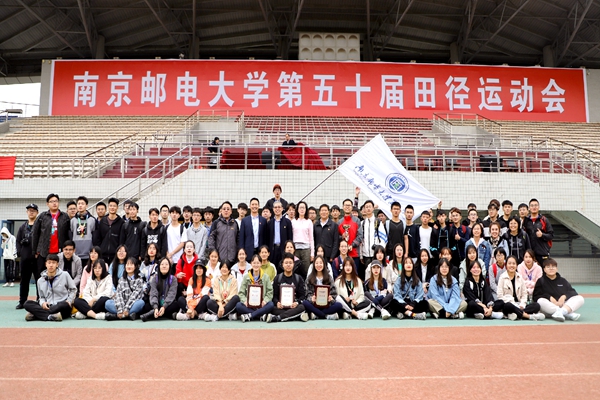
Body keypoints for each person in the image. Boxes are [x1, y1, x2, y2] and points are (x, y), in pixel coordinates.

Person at [23, 254, 77, 322]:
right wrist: (43, 303)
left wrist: (69, 301)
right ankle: (50, 316)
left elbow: (73, 289)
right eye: (49, 263)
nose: (51, 265)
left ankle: (37, 314)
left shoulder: (65, 275)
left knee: (64, 305)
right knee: (27, 303)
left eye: (53, 263)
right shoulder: (40, 280)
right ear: (46, 264)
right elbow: (41, 297)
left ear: (57, 264)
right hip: (48, 306)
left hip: (61, 305)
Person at [32, 193, 71, 278]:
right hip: (43, 252)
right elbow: (35, 233)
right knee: (41, 277)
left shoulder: (64, 216)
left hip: (60, 252)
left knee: (59, 277)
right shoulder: (42, 216)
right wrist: (35, 251)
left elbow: (69, 234)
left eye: (56, 201)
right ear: (47, 204)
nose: (54, 203)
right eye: (51, 201)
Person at [496, 255, 545, 321]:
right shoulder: (502, 277)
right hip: (509, 304)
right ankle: (528, 316)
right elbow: (500, 296)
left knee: (536, 305)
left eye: (514, 263)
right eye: (509, 263)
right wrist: (513, 304)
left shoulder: (520, 277)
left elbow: (524, 293)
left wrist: (522, 304)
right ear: (506, 265)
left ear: (516, 265)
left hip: (520, 304)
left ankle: (516, 314)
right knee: (507, 306)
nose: (511, 265)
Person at [267, 252, 309, 323]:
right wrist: (277, 303)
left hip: (294, 306)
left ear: (293, 264)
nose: (288, 265)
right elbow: (274, 296)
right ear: (282, 264)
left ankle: (278, 318)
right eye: (286, 263)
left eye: (290, 263)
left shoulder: (298, 278)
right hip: (281, 307)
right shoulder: (278, 278)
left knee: (302, 307)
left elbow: (302, 296)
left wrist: (297, 303)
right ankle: (295, 316)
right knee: (271, 308)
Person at [303, 255, 343, 320]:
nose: (319, 265)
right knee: (305, 303)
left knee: (339, 305)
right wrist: (311, 299)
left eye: (321, 263)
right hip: (314, 304)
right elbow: (307, 294)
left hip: (327, 305)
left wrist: (331, 298)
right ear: (314, 265)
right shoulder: (310, 278)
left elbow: (334, 293)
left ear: (324, 264)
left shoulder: (329, 277)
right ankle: (326, 315)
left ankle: (317, 314)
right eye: (316, 263)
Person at [236, 254, 274, 322]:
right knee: (238, 305)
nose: (256, 265)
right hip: (249, 306)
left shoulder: (266, 277)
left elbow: (270, 291)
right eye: (254, 263)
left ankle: (250, 315)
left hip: (262, 305)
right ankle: (260, 316)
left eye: (258, 263)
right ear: (251, 264)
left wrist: (265, 300)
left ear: (261, 264)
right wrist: (245, 301)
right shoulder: (246, 277)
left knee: (271, 304)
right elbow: (241, 292)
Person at [16, 203, 39, 309]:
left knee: (39, 280)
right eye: (29, 210)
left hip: (37, 259)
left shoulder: (39, 226)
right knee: (24, 281)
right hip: (25, 259)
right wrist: (20, 252)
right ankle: (22, 301)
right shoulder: (22, 227)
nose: (31, 212)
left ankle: (40, 300)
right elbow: (18, 241)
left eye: (33, 210)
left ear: (37, 212)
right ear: (27, 212)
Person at [140, 257, 177, 322]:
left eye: (166, 264)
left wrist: (164, 306)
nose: (164, 266)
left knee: (176, 305)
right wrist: (155, 307)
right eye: (162, 264)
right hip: (157, 303)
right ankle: (162, 313)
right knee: (146, 307)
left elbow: (171, 294)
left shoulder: (173, 279)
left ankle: (152, 314)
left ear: (169, 267)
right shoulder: (154, 279)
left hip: (168, 304)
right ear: (159, 267)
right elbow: (153, 293)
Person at [93, 197, 125, 264]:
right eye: (111, 206)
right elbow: (98, 238)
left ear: (117, 208)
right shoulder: (103, 221)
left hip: (115, 256)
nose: (112, 207)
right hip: (103, 255)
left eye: (114, 206)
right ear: (108, 207)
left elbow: (121, 239)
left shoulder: (121, 222)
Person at [208, 201, 239, 265]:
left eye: (228, 209)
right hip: (219, 257)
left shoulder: (235, 223)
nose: (226, 210)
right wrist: (213, 251)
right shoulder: (216, 223)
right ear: (221, 210)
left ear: (231, 211)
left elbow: (238, 239)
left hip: (232, 258)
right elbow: (211, 238)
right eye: (224, 209)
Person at [524, 198, 554, 264]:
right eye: (532, 205)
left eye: (536, 205)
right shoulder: (526, 221)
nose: (534, 207)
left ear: (539, 207)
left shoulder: (544, 220)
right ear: (529, 208)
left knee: (545, 270)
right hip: (530, 254)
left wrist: (542, 235)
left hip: (542, 253)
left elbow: (551, 235)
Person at [70, 195, 96, 267]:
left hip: (88, 253)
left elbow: (94, 234)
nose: (80, 205)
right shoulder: (73, 220)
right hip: (76, 253)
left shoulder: (92, 220)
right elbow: (71, 233)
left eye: (82, 204)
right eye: (78, 204)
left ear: (86, 206)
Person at [266, 200, 293, 269]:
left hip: (283, 250)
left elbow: (290, 237)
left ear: (282, 208)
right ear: (273, 209)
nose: (277, 209)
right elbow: (267, 239)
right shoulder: (269, 223)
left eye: (279, 207)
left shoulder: (287, 222)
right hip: (273, 250)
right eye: (275, 207)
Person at [291, 201, 314, 279]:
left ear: (306, 210)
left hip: (306, 249)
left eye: (303, 208)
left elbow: (311, 238)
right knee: (295, 269)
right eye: (300, 207)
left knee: (306, 270)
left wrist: (312, 253)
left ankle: (306, 285)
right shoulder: (293, 221)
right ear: (297, 209)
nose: (302, 209)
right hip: (295, 249)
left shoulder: (309, 222)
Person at [339, 198, 362, 272]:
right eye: (346, 205)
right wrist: (342, 237)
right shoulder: (339, 222)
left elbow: (360, 236)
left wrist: (352, 245)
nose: (347, 207)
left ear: (352, 207)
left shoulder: (357, 220)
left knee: (354, 274)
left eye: (349, 205)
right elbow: (337, 237)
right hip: (343, 254)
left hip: (354, 253)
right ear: (343, 207)